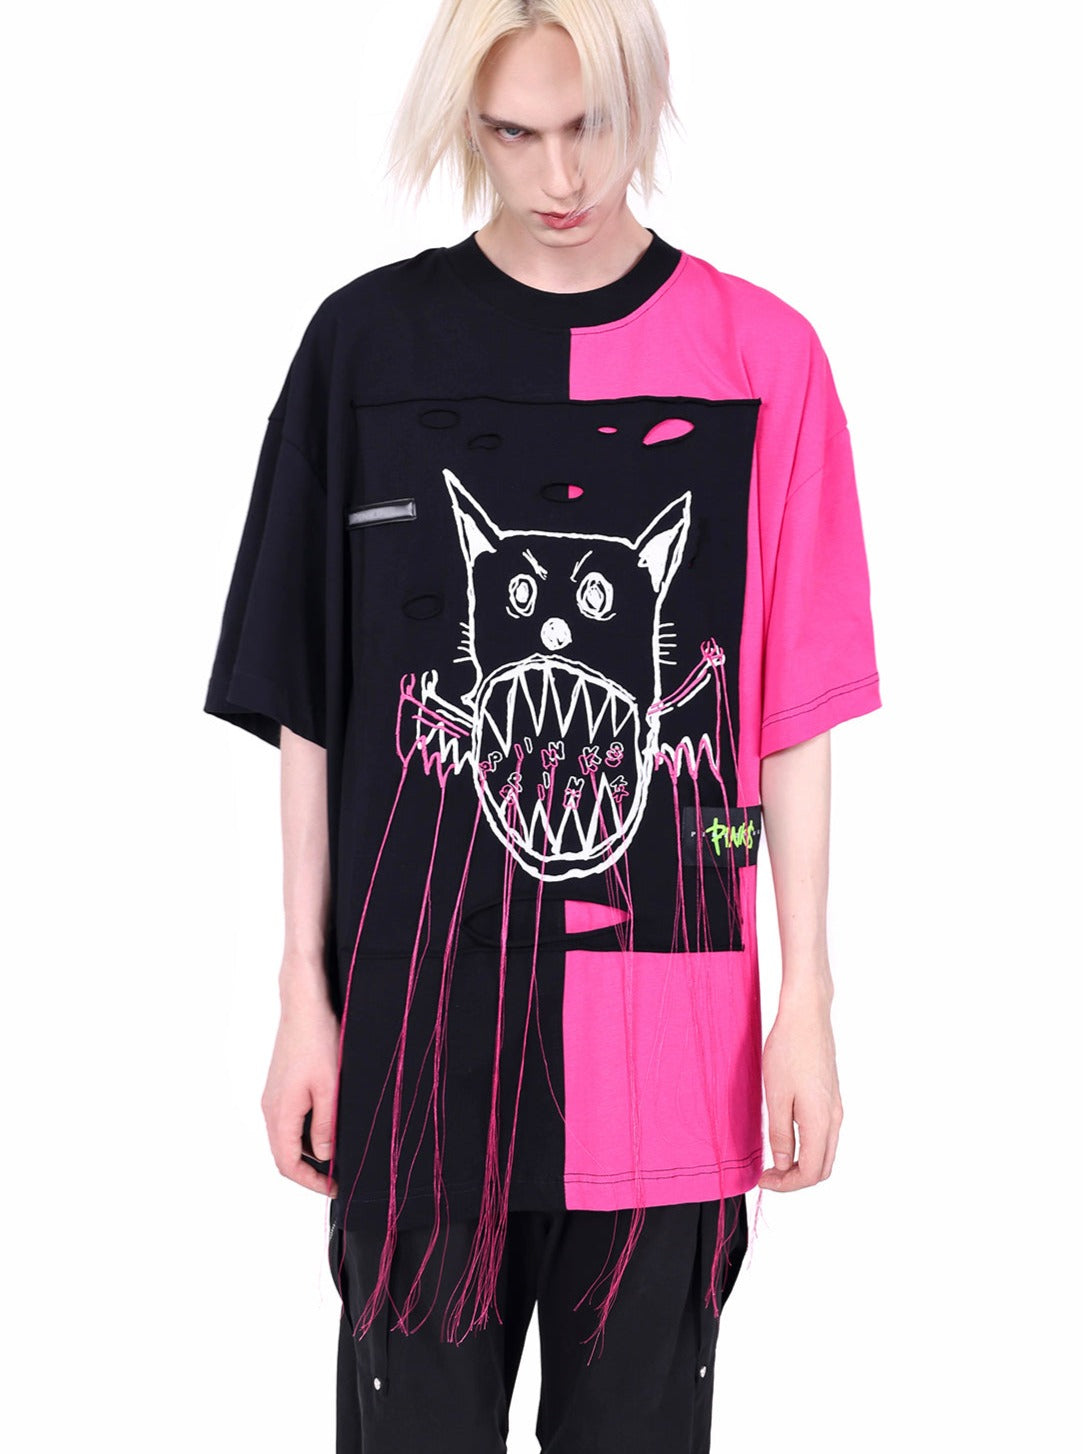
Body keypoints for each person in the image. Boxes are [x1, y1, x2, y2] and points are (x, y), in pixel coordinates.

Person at [203, 1, 880, 1449]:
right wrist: (301, 998)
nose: (560, 177)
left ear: (648, 103)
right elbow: (313, 712)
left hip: (676, 1048)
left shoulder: (763, 359)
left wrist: (807, 1002)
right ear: (467, 124)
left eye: (592, 128)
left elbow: (790, 718)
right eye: (516, 134)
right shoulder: (365, 350)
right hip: (417, 1044)